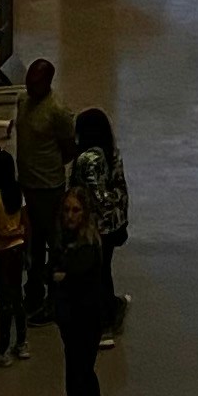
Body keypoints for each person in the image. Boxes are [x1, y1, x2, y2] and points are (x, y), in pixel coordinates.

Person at [43, 189, 108, 396]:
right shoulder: (73, 242)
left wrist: (61, 277)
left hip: (83, 321)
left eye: (76, 210)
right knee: (85, 373)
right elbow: (55, 273)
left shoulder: (86, 248)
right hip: (78, 320)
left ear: (85, 214)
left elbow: (65, 276)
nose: (70, 215)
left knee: (76, 379)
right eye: (67, 210)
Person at [17, 58, 77, 316]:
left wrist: (49, 168)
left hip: (50, 187)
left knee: (54, 243)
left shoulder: (58, 111)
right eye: (28, 82)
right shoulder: (23, 102)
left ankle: (55, 297)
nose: (30, 87)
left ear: (48, 83)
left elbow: (68, 149)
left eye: (35, 83)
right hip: (28, 185)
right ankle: (33, 291)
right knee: (33, 242)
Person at [70, 105, 130, 344]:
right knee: (104, 270)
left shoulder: (89, 160)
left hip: (98, 227)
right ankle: (108, 311)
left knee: (96, 273)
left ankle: (102, 323)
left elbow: (95, 195)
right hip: (114, 222)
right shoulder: (111, 153)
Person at [0, 150, 30, 363]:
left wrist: (10, 233)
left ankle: (2, 350)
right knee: (18, 297)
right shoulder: (18, 193)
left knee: (4, 302)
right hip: (18, 250)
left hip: (1, 254)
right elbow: (26, 222)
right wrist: (21, 234)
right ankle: (22, 343)